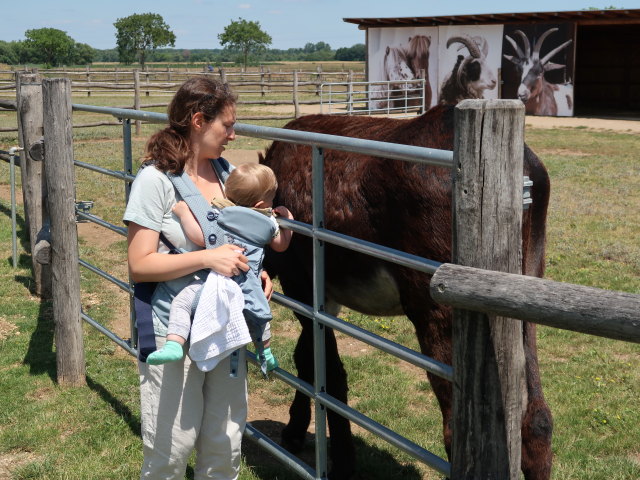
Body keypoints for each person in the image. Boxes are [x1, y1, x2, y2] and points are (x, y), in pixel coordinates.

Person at [124, 76, 272, 479]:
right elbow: (140, 264)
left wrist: (255, 274)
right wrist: (209, 258)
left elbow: (240, 240)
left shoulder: (228, 176)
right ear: (197, 121)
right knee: (170, 452)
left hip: (225, 328)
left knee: (225, 445)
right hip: (173, 327)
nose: (233, 134)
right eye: (226, 125)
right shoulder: (155, 181)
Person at [146, 162, 294, 373]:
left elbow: (200, 236)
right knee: (259, 314)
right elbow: (281, 245)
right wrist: (288, 221)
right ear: (262, 203)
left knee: (183, 301)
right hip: (247, 282)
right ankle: (266, 353)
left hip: (212, 280)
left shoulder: (219, 212)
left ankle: (173, 343)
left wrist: (184, 214)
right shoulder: (267, 222)